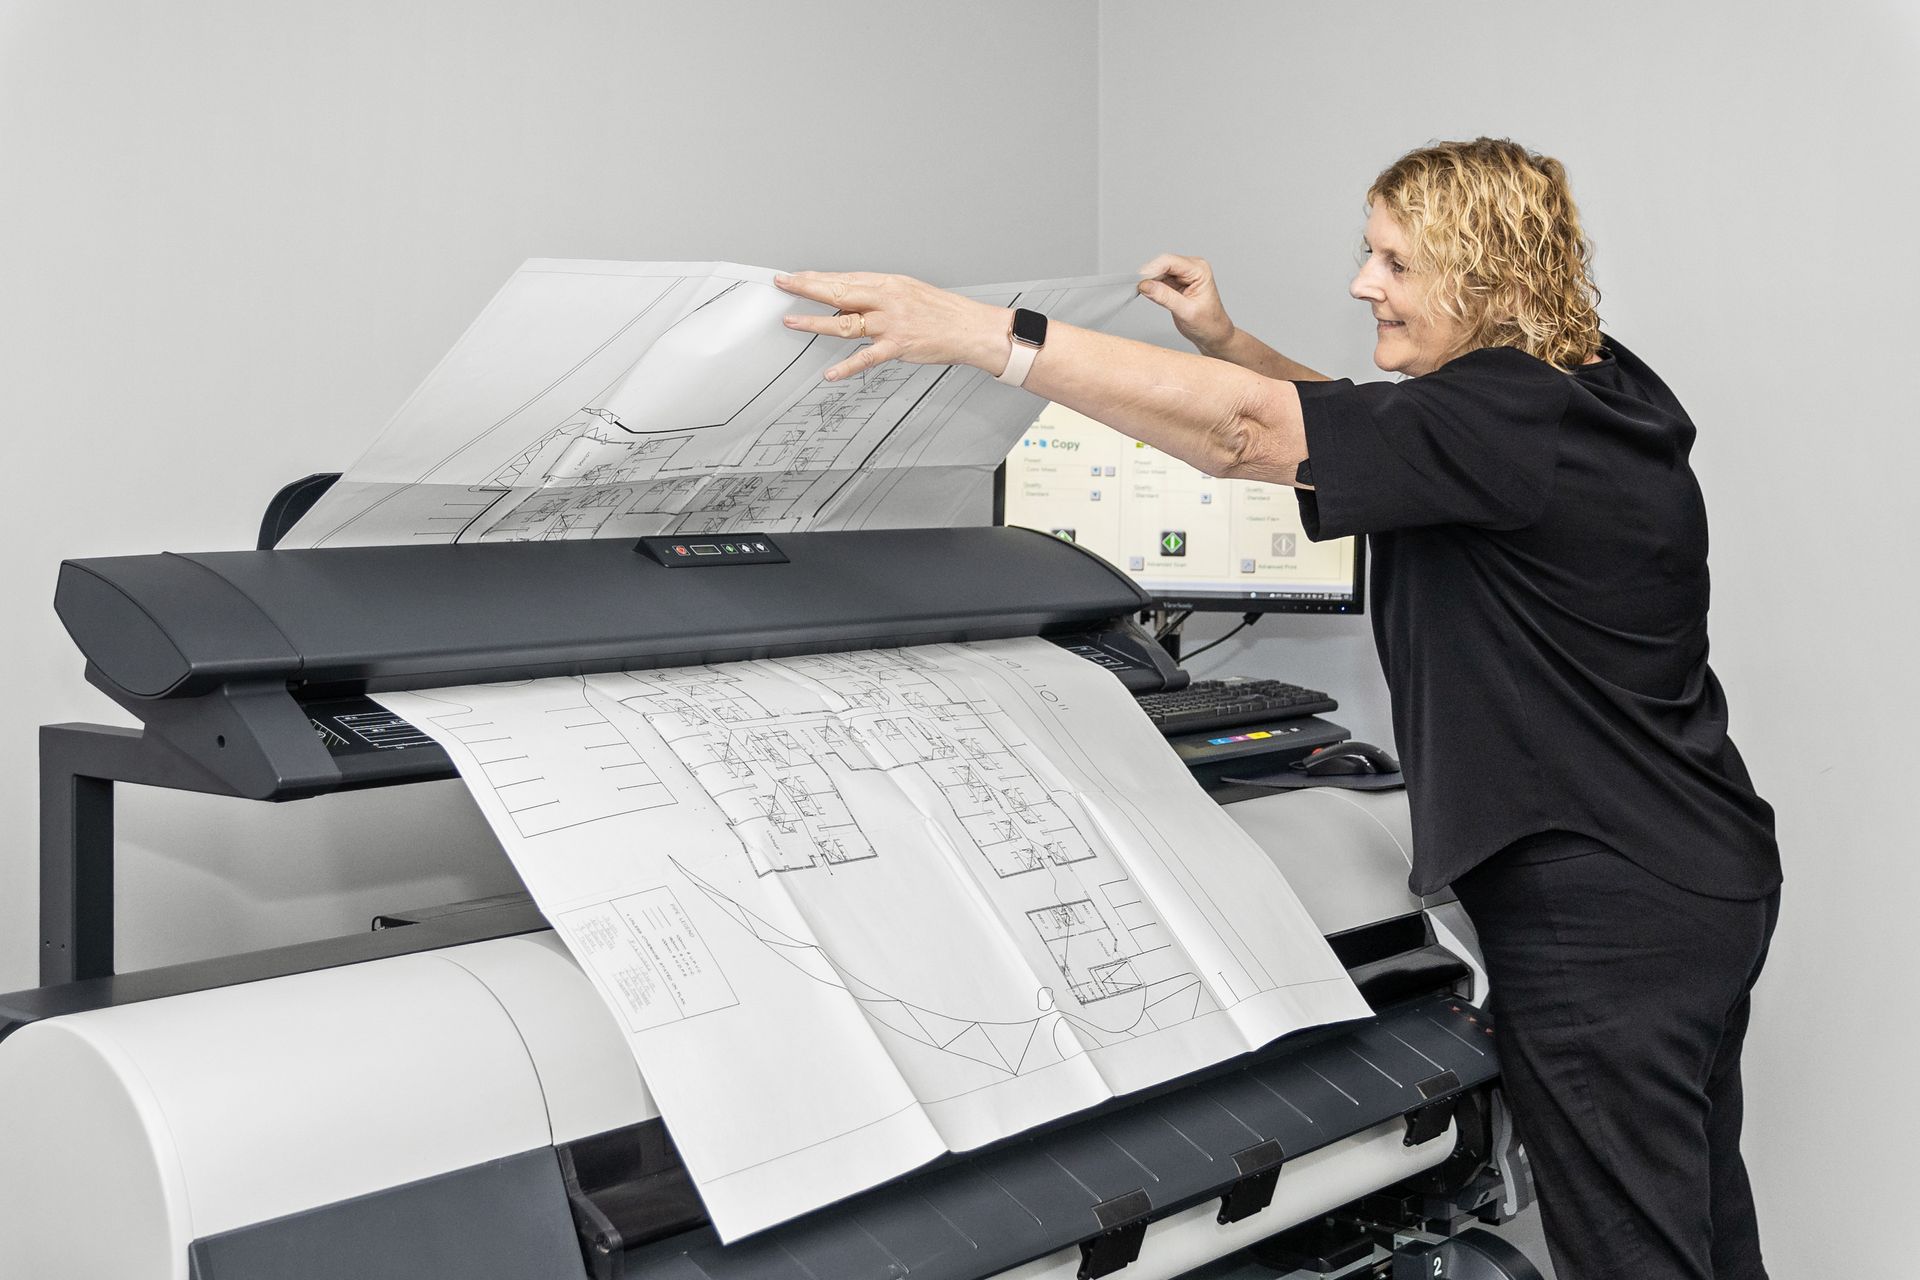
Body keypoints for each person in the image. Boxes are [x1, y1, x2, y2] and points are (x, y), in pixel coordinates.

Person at [776, 136, 1780, 1280]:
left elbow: (1250, 432)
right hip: (1699, 866)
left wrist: (978, 334)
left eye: (1395, 263)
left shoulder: (1506, 417)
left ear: (1482, 273)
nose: (1364, 284)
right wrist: (1226, 342)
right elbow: (1371, 432)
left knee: (1632, 1250)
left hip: (1599, 905)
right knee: (1701, 1221)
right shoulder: (1587, 383)